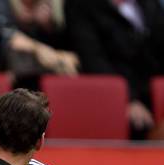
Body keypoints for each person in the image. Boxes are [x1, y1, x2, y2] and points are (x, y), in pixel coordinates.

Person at [65, 0, 164, 139]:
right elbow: (93, 58)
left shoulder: (149, 4)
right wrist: (127, 98)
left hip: (151, 98)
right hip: (108, 100)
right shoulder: (81, 5)